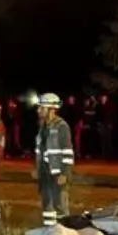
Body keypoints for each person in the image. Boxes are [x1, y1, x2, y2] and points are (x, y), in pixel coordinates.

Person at [33, 93, 73, 226]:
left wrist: (65, 173)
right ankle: (49, 231)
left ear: (52, 109)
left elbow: (67, 152)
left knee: (60, 205)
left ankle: (64, 232)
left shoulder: (62, 126)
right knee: (47, 205)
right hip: (45, 173)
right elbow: (40, 150)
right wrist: (37, 168)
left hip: (57, 173)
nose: (38, 110)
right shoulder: (42, 127)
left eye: (42, 108)